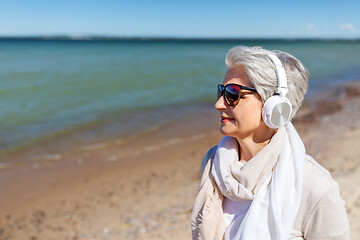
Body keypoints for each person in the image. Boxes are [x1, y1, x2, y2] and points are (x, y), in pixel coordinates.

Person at [191, 46, 350, 240]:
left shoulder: (316, 188)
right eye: (221, 91)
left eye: (233, 94)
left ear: (273, 106)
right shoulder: (212, 163)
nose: (219, 104)